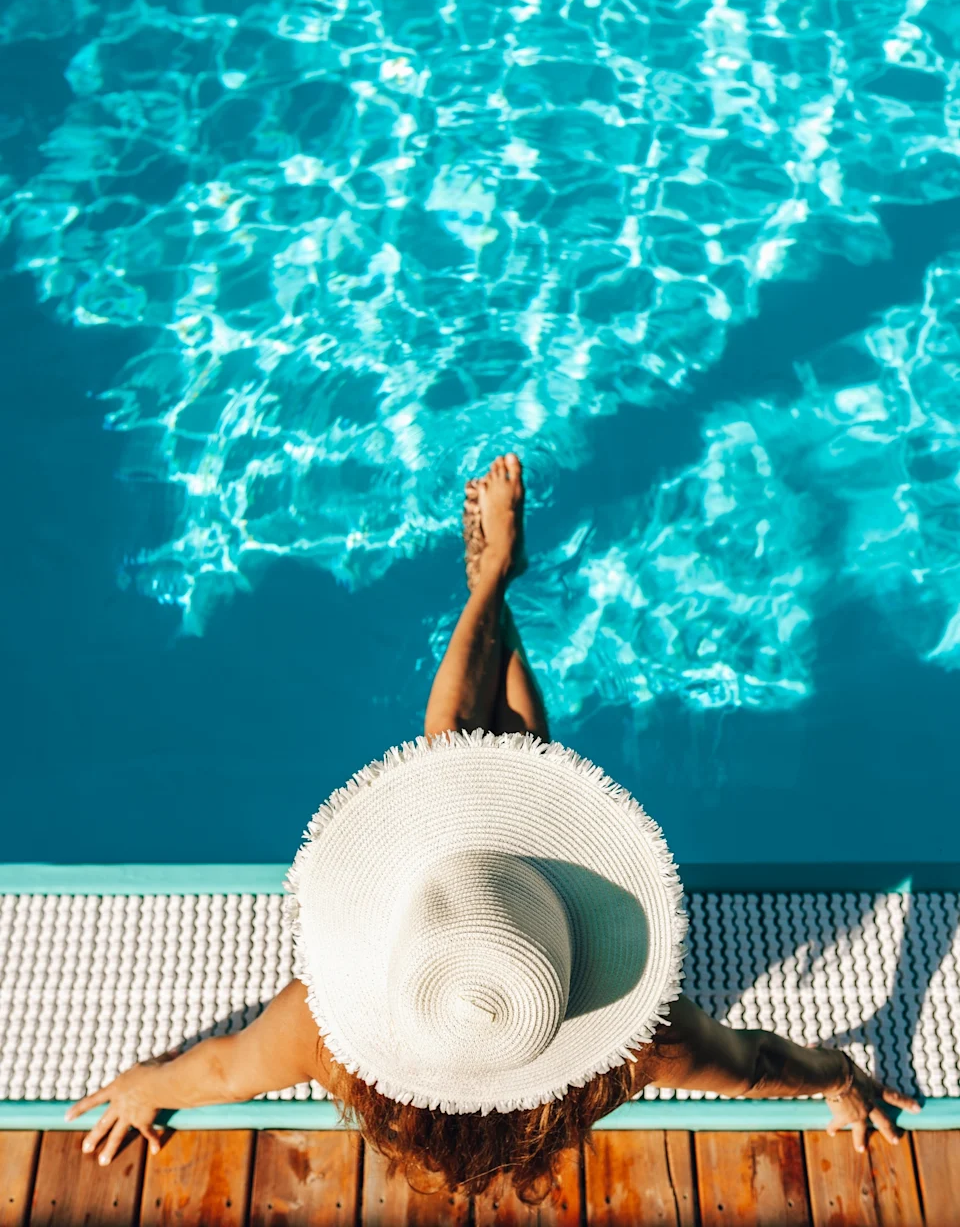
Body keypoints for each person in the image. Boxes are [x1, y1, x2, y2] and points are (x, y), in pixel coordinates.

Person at [67, 453, 920, 1202]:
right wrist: (842, 1079)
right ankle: (493, 587)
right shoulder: (633, 1047)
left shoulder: (330, 1039)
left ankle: (491, 583)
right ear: (561, 982)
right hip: (518, 928)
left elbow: (220, 1069)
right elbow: (758, 1065)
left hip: (499, 930)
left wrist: (145, 1088)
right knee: (496, 761)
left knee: (470, 757)